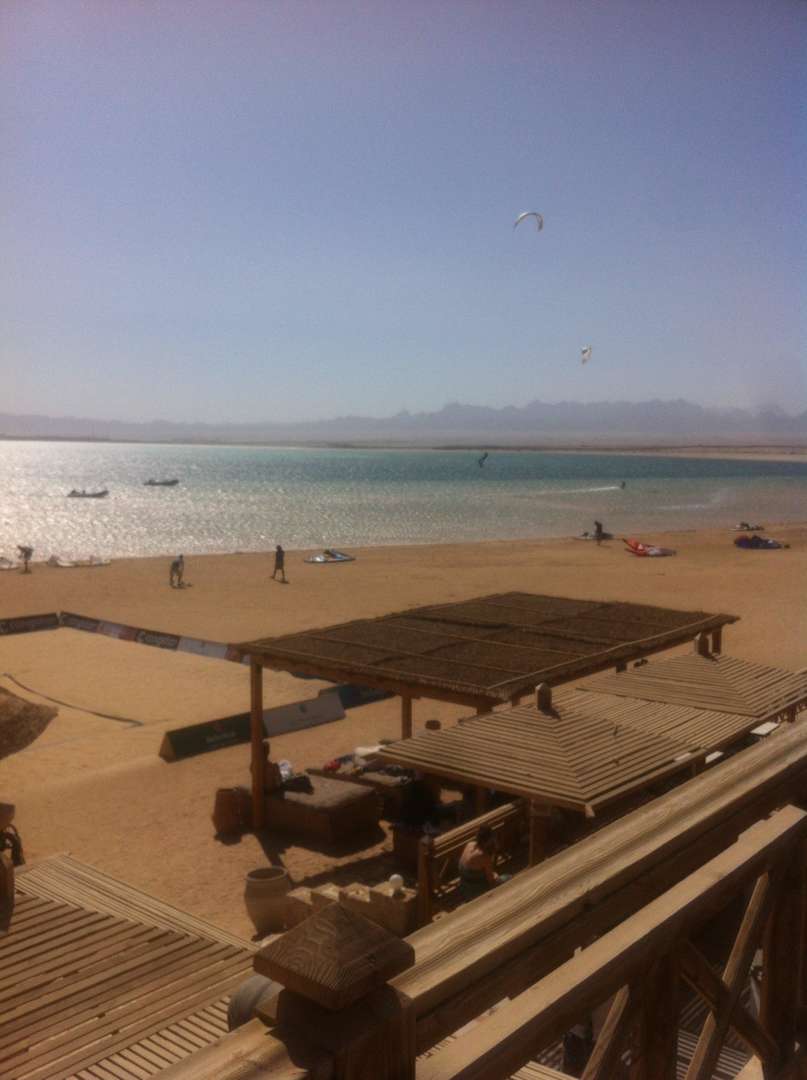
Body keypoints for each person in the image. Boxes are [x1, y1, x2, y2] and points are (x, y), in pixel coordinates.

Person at [458, 824, 509, 901]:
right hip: (476, 892)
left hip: (464, 888)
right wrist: (496, 876)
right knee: (508, 878)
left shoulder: (469, 844)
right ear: (489, 840)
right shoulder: (483, 856)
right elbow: (492, 883)